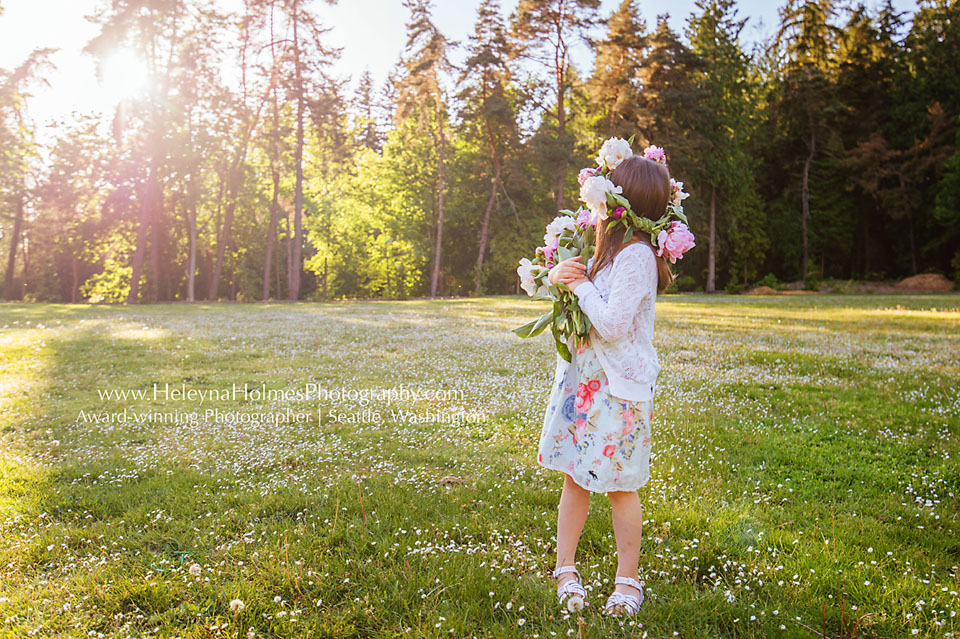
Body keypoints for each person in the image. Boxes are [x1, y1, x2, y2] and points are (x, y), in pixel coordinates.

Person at [536, 154, 676, 617]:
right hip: (587, 384)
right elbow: (583, 296)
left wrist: (579, 289)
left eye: (611, 189)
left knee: (620, 486)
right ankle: (565, 568)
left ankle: (627, 580)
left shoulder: (637, 255)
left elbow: (613, 323)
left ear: (623, 201)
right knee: (575, 479)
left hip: (619, 390)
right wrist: (560, 277)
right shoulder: (609, 250)